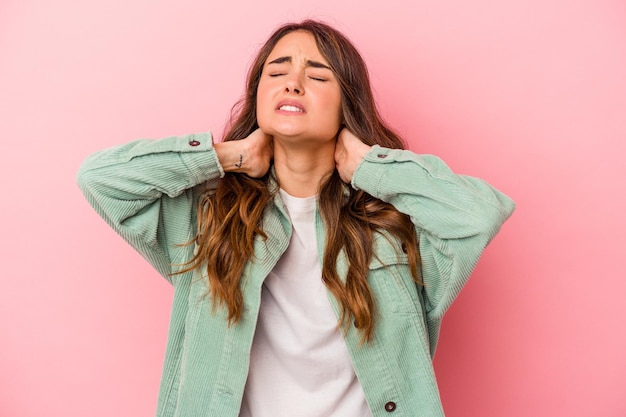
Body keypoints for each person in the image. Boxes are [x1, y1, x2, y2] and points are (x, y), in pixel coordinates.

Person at [77, 19, 515, 417]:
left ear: (348, 104)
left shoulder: (392, 225)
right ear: (258, 96)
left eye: (318, 75)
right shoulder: (212, 217)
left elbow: (475, 215)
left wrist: (370, 167)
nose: (293, 83)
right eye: (277, 71)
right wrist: (225, 155)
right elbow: (100, 179)